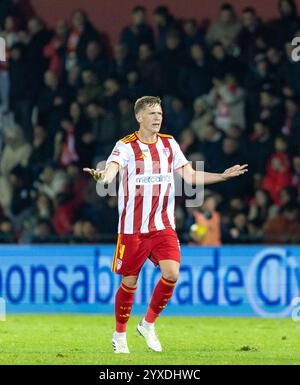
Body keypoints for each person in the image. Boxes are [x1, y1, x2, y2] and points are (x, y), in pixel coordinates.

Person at [83, 96, 248, 354]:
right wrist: (102, 177)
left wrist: (223, 175)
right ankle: (119, 334)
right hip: (132, 229)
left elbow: (191, 175)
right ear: (139, 117)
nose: (157, 117)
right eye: (151, 113)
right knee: (130, 281)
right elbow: (111, 171)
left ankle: (148, 324)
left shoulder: (169, 144)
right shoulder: (125, 146)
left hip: (162, 225)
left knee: (172, 273)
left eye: (159, 113)